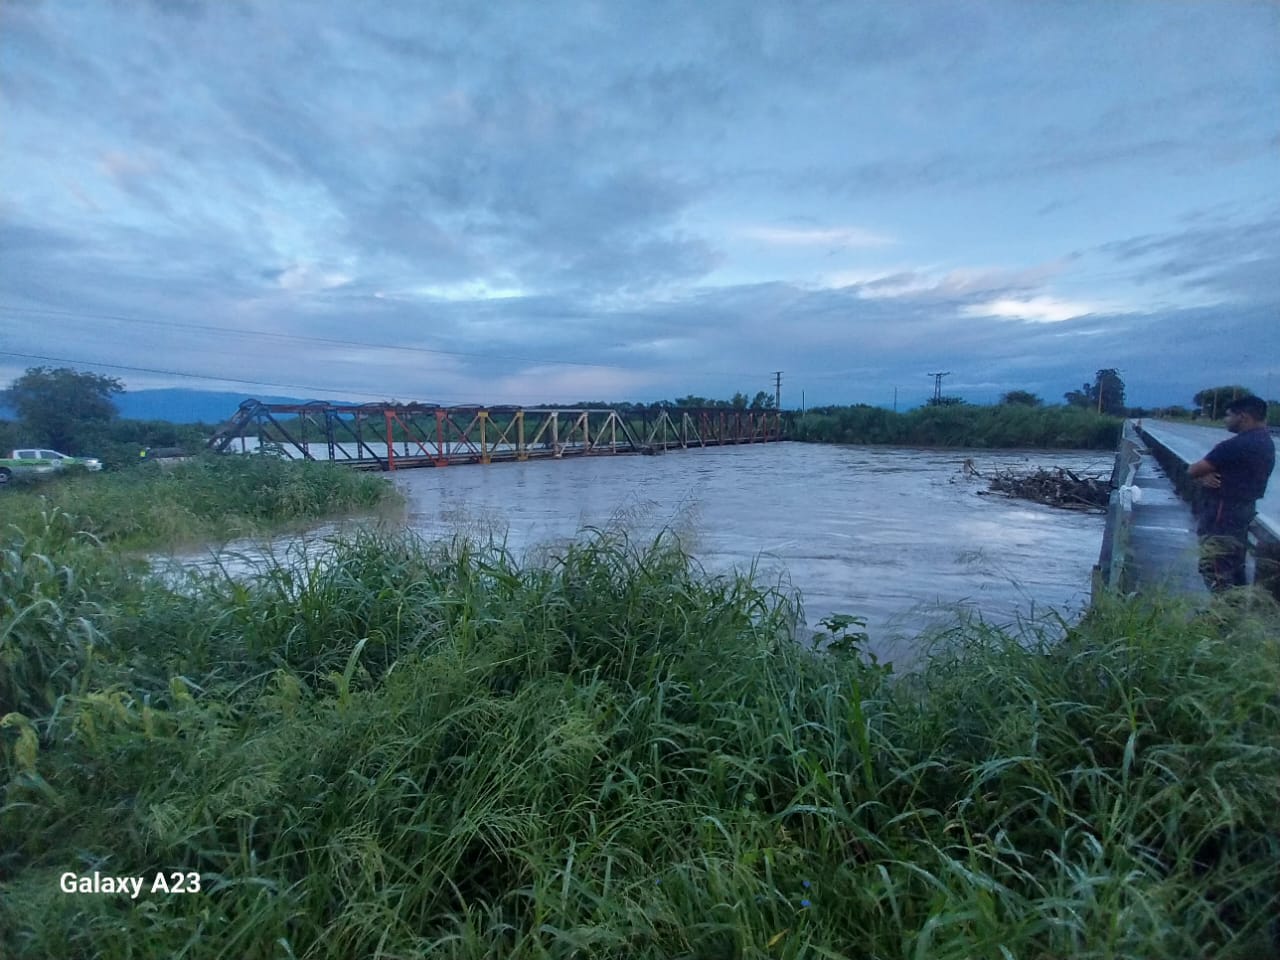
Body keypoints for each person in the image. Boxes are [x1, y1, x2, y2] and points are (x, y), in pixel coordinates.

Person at [1187, 395, 1275, 592]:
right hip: (1244, 510)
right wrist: (1205, 477)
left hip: (1222, 512)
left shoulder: (1235, 445)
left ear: (1243, 416)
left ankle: (1220, 618)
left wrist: (1202, 476)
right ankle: (1231, 612)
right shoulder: (1266, 443)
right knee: (1235, 564)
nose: (1225, 420)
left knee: (1215, 564)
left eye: (1228, 415)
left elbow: (1193, 470)